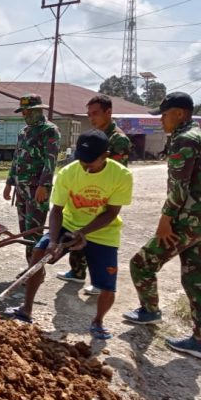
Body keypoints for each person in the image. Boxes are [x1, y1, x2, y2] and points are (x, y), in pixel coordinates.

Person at [1, 129, 133, 339]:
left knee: (107, 283)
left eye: (91, 161)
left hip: (103, 231)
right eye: (82, 160)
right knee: (38, 252)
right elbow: (56, 210)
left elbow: (111, 213)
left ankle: (98, 322)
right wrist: (54, 240)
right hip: (68, 224)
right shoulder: (68, 172)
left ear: (104, 156)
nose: (85, 166)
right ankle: (26, 310)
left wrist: (84, 232)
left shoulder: (121, 176)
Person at [123, 92, 201, 360]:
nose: (162, 120)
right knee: (197, 278)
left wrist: (166, 219)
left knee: (141, 264)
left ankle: (149, 311)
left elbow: (180, 187)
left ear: (179, 113)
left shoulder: (185, 139)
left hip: (183, 222)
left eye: (164, 115)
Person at [58, 94, 132, 295]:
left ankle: (99, 282)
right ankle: (77, 271)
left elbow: (114, 172)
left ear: (109, 112)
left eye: (96, 114)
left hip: (102, 196)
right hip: (83, 192)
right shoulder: (93, 135)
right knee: (76, 228)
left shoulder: (118, 139)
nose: (91, 118)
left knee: (95, 238)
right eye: (89, 114)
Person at [3, 94, 61, 264]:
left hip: (37, 189)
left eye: (28, 111)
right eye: (23, 112)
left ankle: (34, 270)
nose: (25, 115)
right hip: (21, 188)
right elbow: (17, 159)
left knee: (34, 230)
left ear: (39, 110)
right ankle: (31, 267)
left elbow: (50, 160)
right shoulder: (24, 132)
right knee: (25, 231)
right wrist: (9, 183)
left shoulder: (49, 131)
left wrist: (44, 185)